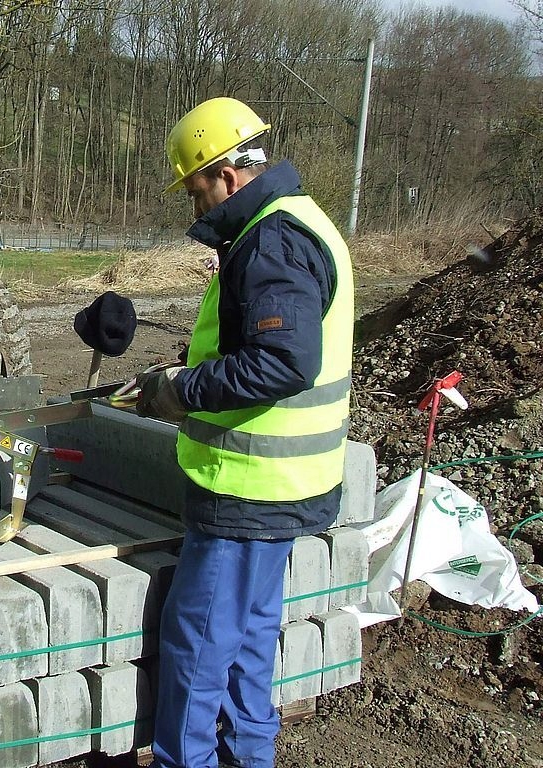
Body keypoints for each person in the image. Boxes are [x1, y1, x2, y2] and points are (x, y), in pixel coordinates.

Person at [135, 97, 354, 768]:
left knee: (198, 645)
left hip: (247, 489)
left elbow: (283, 361)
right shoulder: (300, 220)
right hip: (287, 484)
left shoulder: (271, 239)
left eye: (195, 189)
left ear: (226, 174)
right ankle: (251, 757)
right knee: (251, 637)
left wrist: (180, 390)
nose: (194, 207)